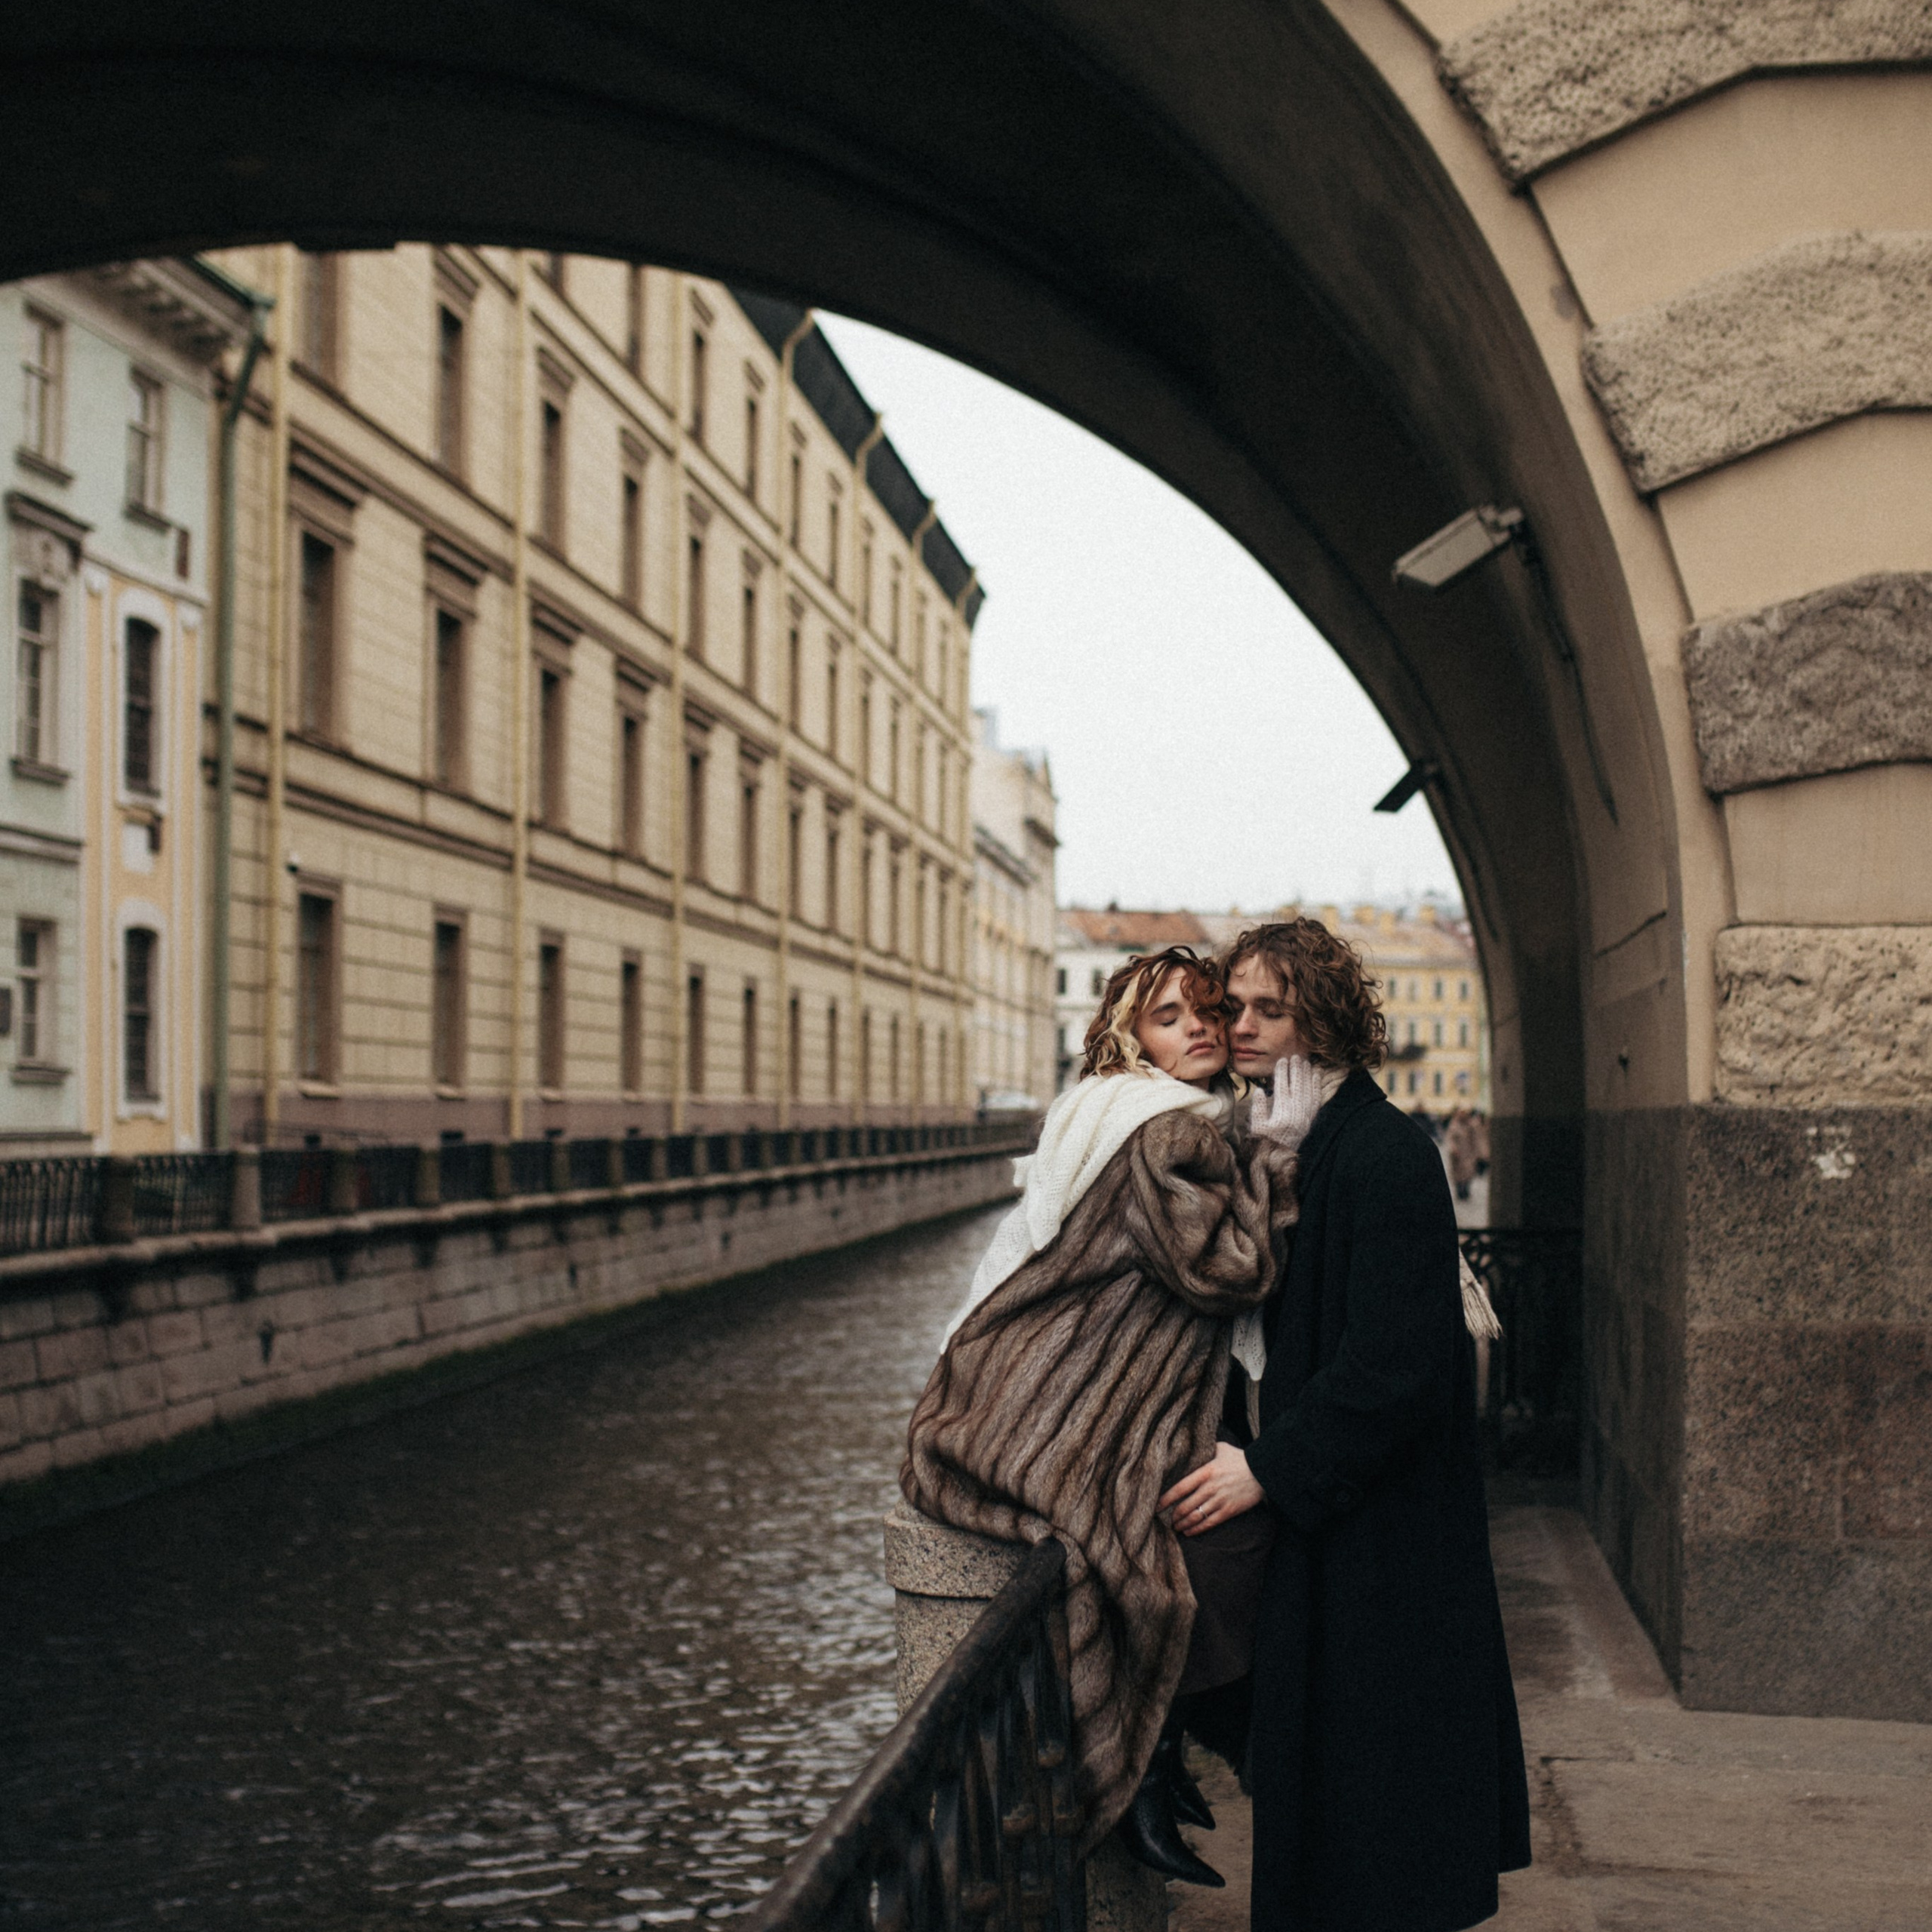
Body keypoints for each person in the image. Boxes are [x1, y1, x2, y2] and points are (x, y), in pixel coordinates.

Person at [903, 946, 1315, 1884]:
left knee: (1189, 1548)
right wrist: (1279, 1156)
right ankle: (1138, 1771)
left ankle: (1156, 1765)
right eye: (1171, 1017)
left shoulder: (1129, 1114)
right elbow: (1225, 1268)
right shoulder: (1166, 1129)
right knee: (1166, 1560)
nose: (1202, 1026)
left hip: (1050, 1382)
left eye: (1206, 1008)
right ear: (1132, 1040)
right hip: (1070, 1399)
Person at [1161, 919, 1530, 1932]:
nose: (1238, 1025)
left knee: (1377, 1815)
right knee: (1329, 1805)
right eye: (1230, 1006)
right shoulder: (1290, 1142)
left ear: (1320, 1019)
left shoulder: (1384, 1153)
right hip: (1334, 1528)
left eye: (1267, 1009)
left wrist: (1268, 1469)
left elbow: (1400, 1365)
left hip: (1383, 1543)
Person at [1446, 1104, 1481, 1201]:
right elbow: (1450, 1139)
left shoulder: (1471, 1125)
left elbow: (1475, 1139)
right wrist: (1453, 1149)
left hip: (1468, 1154)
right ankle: (1459, 1191)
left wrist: (1477, 1153)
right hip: (1457, 1155)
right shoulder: (1454, 1125)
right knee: (1458, 1175)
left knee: (1469, 1174)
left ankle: (1466, 1190)